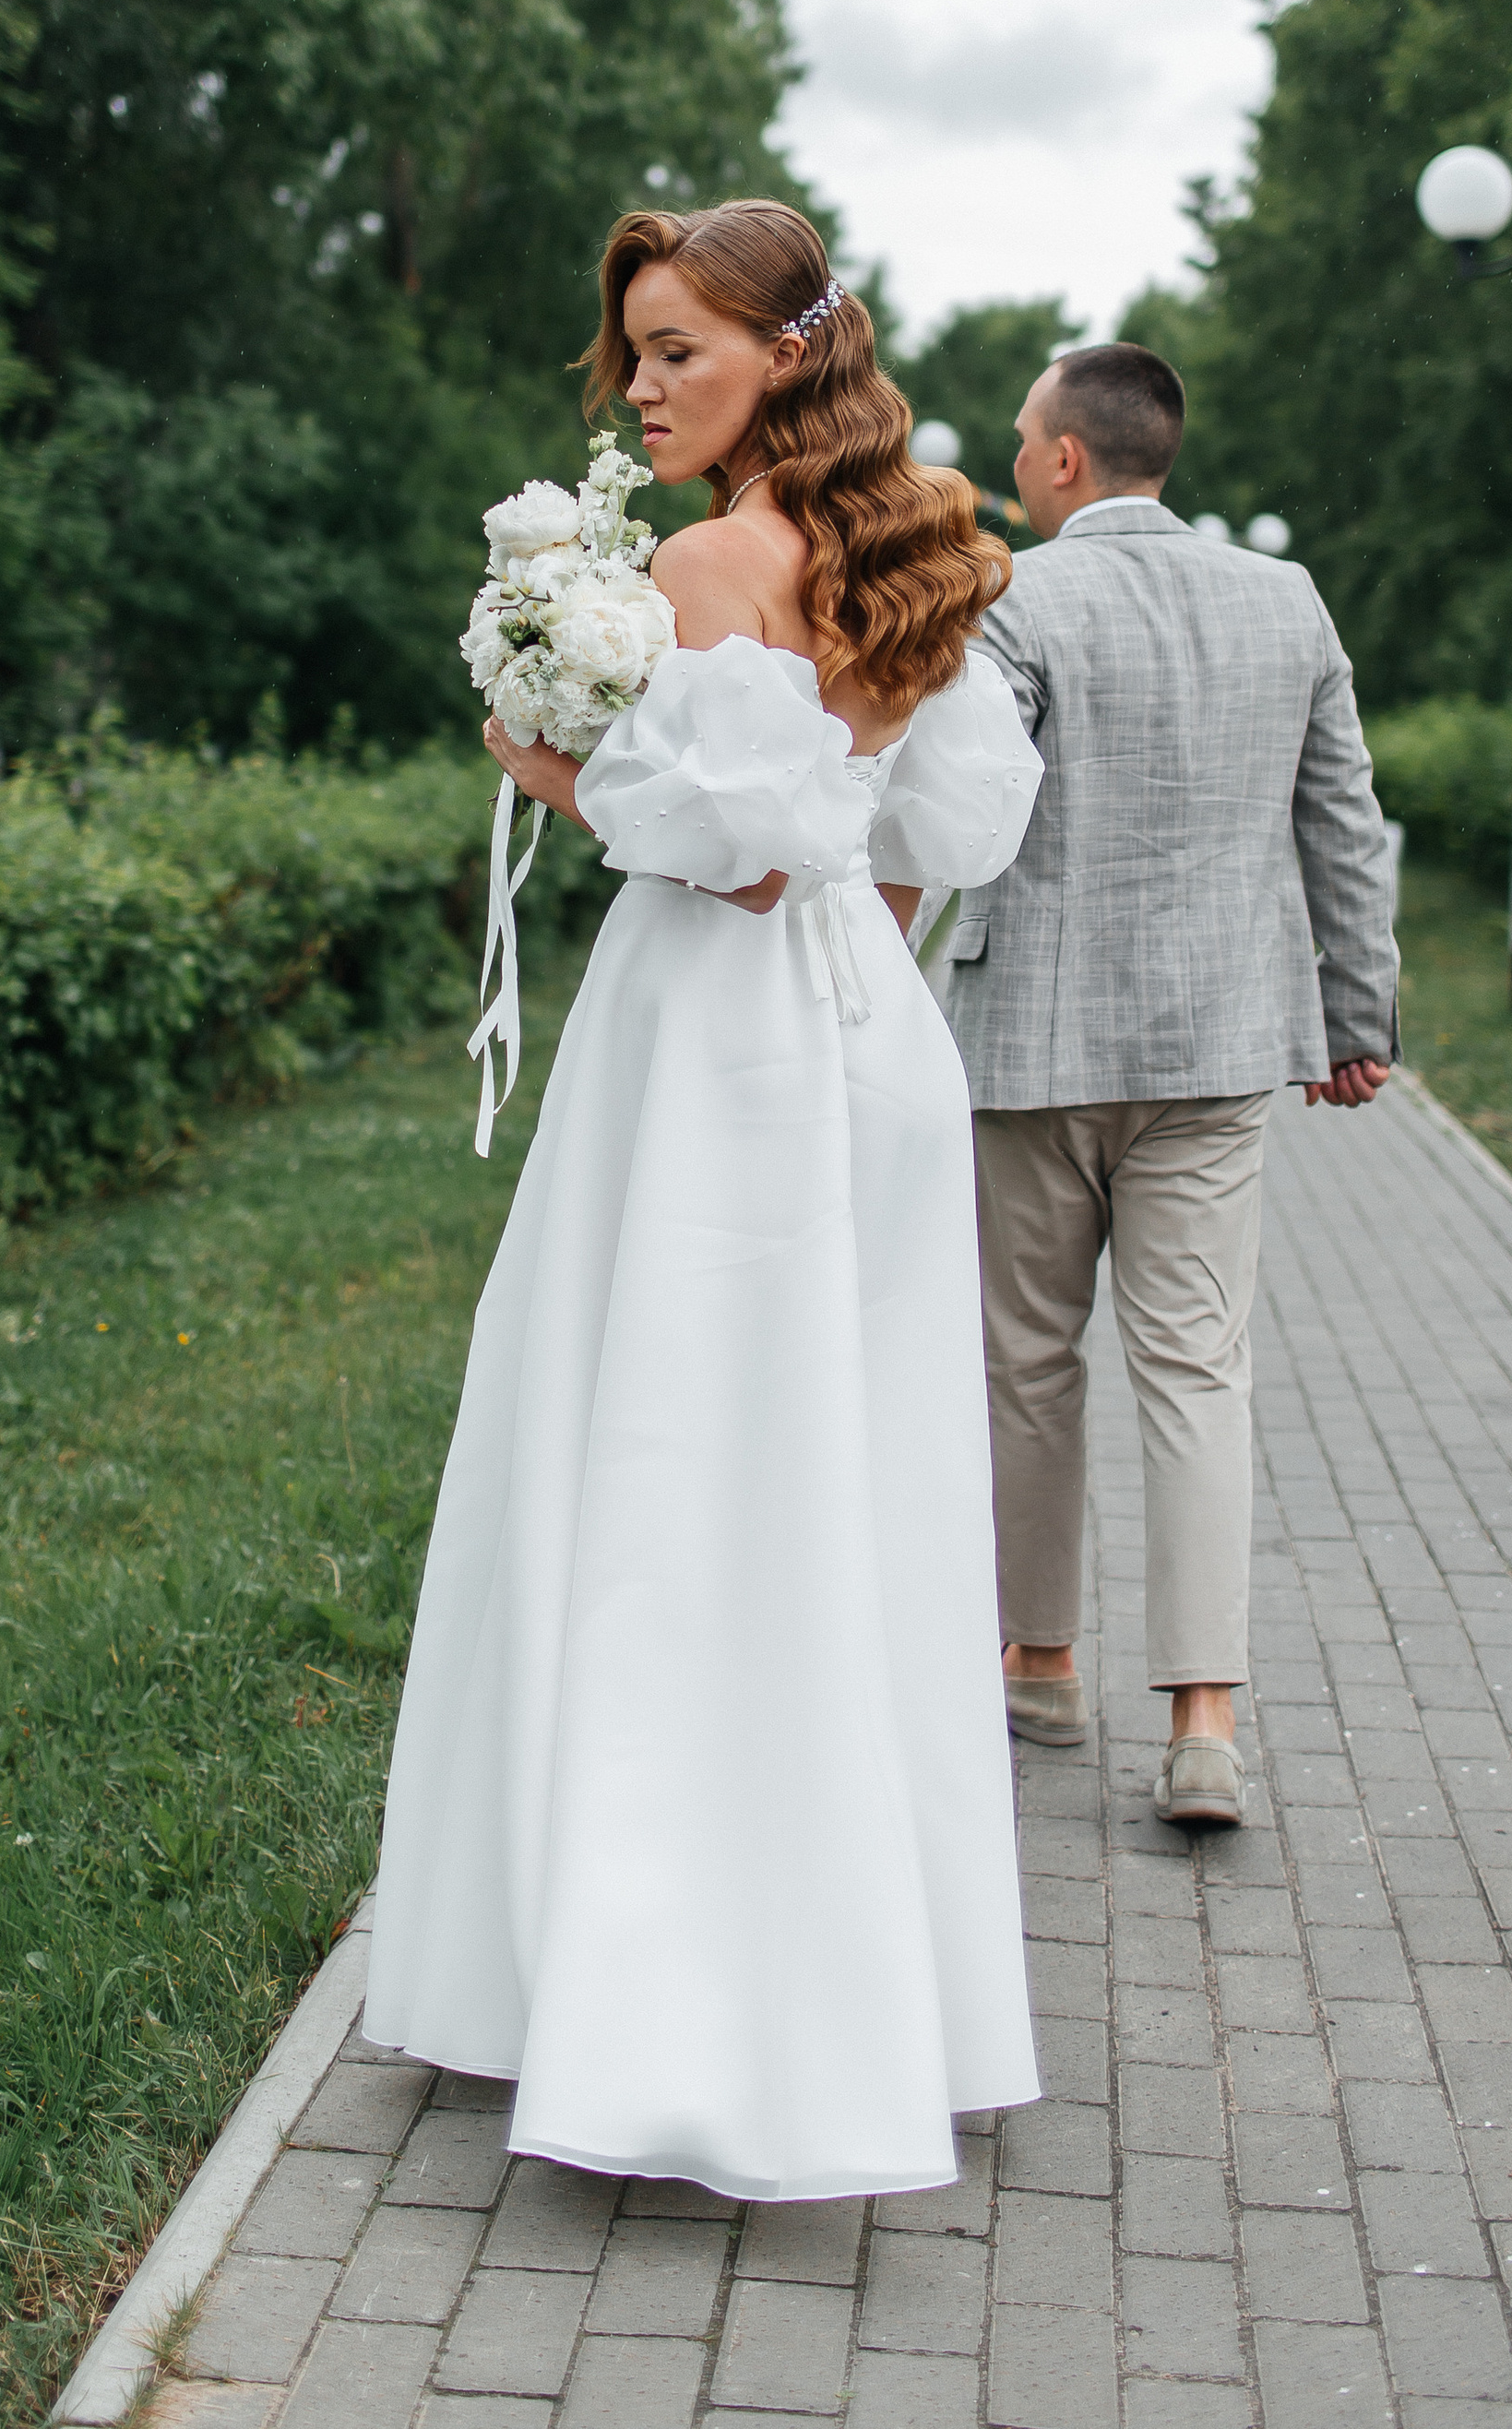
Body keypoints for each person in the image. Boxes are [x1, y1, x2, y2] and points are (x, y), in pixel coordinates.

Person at [363, 200, 1045, 2201]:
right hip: (864, 1042)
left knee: (665, 1472)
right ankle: (869, 1996)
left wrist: (540, 762)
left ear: (784, 352)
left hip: (714, 1053)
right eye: (635, 354)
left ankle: (653, 2009)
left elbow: (736, 862)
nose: (641, 389)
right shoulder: (912, 546)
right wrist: (845, 961)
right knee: (841, 1482)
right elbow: (923, 837)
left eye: (679, 351)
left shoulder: (704, 560)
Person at [946, 342, 1397, 1827]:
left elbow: (962, 800)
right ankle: (1205, 1724)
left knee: (1028, 1362)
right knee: (1199, 1366)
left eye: (1024, 439)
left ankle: (1043, 1665)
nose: (1018, 460)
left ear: (1068, 458)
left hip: (1031, 1043)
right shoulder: (1287, 600)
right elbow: (1344, 821)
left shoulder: (1016, 599)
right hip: (1218, 1048)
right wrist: (1356, 1014)